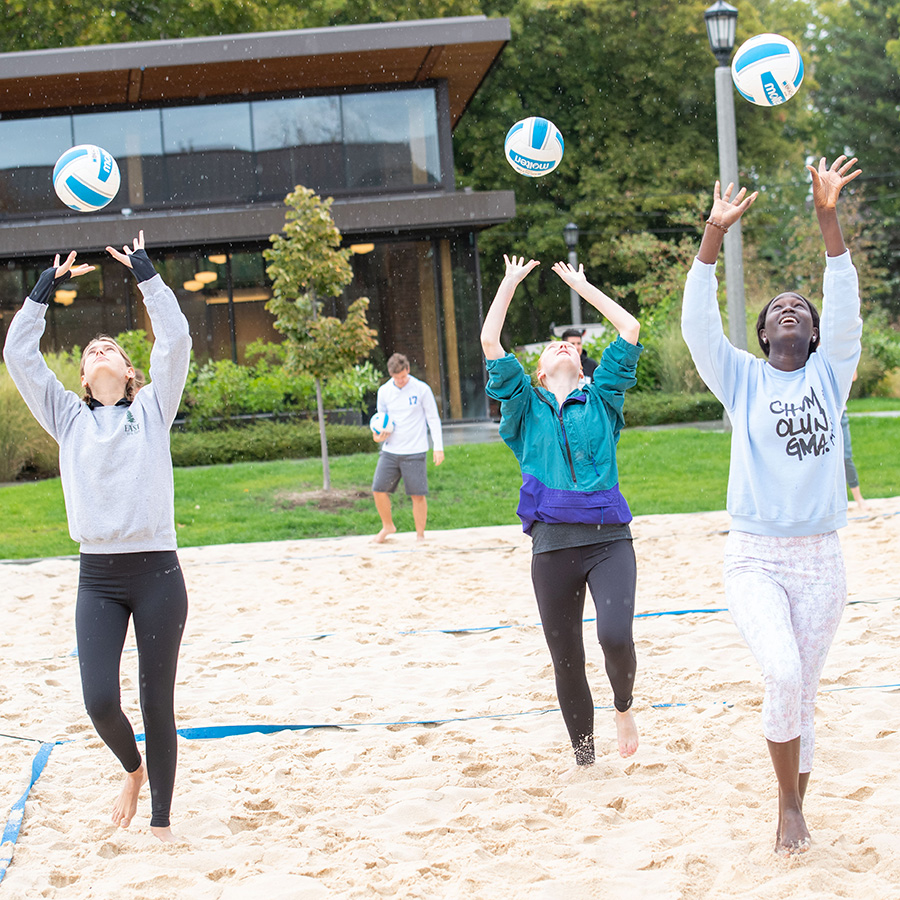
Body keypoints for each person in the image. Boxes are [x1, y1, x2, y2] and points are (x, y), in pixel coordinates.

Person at [681, 156, 863, 856]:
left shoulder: (831, 375)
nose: (790, 309)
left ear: (814, 337)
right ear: (762, 336)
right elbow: (700, 327)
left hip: (822, 559)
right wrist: (711, 240)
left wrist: (828, 220)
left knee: (802, 694)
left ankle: (794, 814)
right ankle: (788, 807)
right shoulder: (742, 380)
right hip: (754, 556)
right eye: (777, 309)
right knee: (781, 674)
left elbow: (843, 302)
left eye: (801, 310)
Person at [3, 232, 192, 843]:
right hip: (100, 578)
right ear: (83, 376)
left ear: (129, 371)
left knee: (156, 701)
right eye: (92, 349)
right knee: (98, 702)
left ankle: (161, 826)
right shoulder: (67, 418)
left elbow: (177, 339)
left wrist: (144, 273)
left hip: (158, 572)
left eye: (113, 346)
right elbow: (18, 355)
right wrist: (43, 290)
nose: (103, 349)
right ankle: (131, 770)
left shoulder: (154, 407)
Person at [481, 256, 642, 765]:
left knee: (614, 636)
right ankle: (586, 760)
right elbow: (491, 342)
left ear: (581, 361)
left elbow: (629, 326)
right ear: (540, 371)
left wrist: (582, 285)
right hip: (552, 546)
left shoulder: (603, 400)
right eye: (554, 347)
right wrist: (508, 283)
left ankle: (622, 707)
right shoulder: (525, 407)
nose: (564, 346)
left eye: (570, 344)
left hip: (609, 538)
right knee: (566, 659)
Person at [371, 352, 444, 542]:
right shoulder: (384, 392)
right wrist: (377, 436)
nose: (401, 380)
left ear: (408, 370)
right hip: (390, 450)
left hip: (415, 450)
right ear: (391, 375)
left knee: (417, 494)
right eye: (397, 378)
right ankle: (388, 526)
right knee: (378, 490)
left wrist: (438, 447)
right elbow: (380, 421)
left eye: (403, 376)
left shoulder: (422, 389)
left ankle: (420, 535)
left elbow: (433, 419)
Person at [842, 370, 868, 511]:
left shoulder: (837, 351)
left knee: (846, 457)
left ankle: (859, 499)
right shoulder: (811, 352)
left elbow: (853, 375)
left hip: (840, 415)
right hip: (819, 414)